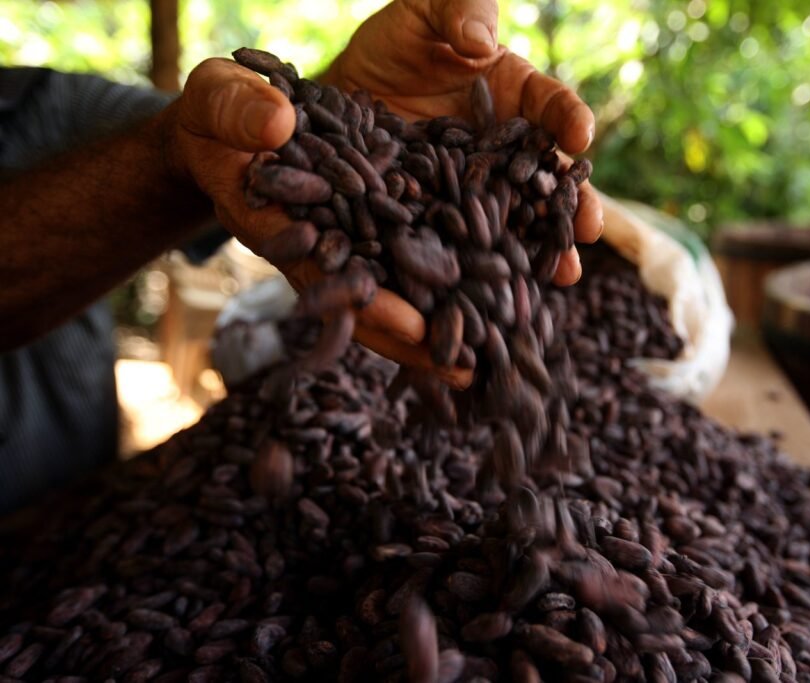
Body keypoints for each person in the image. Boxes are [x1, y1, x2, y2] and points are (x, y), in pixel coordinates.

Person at [0, 0, 603, 514]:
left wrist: (329, 106)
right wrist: (186, 145)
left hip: (76, 491)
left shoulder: (42, 101)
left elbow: (223, 143)